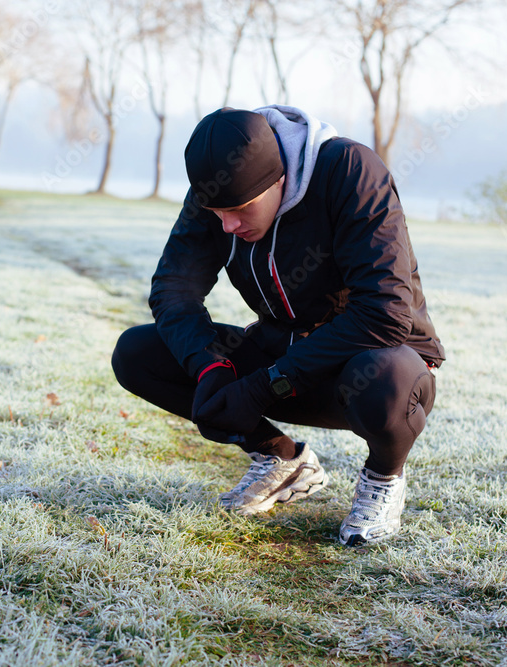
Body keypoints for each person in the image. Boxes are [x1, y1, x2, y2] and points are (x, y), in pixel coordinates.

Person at [111, 106, 445, 546]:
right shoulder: (217, 191)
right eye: (216, 212)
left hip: (371, 366)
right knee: (138, 353)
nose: (227, 225)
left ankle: (384, 478)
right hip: (282, 357)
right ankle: (282, 460)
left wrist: (262, 388)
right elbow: (173, 288)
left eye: (239, 210)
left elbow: (385, 312)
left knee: (387, 378)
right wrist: (210, 370)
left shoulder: (350, 170)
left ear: (280, 180)